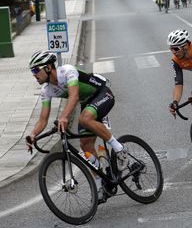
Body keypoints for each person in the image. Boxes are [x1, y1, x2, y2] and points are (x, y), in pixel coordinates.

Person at [25, 51, 128, 201]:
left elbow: (73, 95)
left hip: (102, 93)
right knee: (85, 145)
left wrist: (64, 117)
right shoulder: (46, 90)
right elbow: (43, 119)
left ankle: (120, 149)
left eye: (35, 70)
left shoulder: (67, 71)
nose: (34, 75)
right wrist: (33, 135)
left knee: (85, 118)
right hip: (87, 102)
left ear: (47, 67)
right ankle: (100, 184)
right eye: (32, 71)